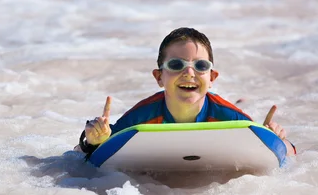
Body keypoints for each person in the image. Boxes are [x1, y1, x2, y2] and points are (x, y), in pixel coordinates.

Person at [78, 27, 296, 156]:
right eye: (176, 65)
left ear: (211, 78)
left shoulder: (228, 116)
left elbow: (288, 151)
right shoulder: (144, 116)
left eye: (201, 66)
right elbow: (88, 152)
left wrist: (275, 139)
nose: (189, 72)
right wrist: (94, 139)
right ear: (159, 77)